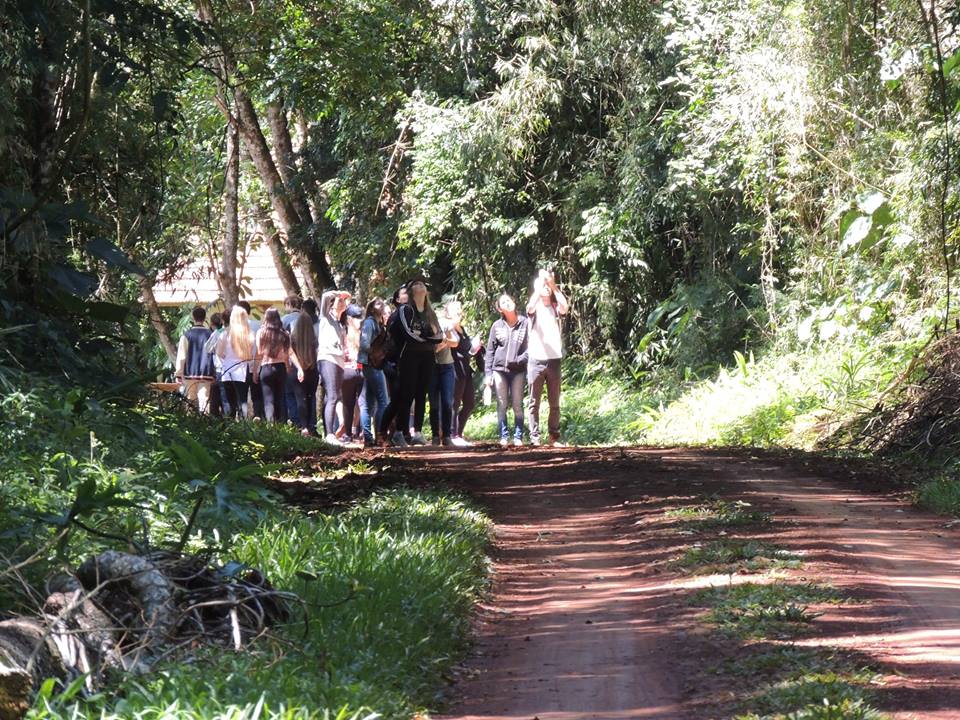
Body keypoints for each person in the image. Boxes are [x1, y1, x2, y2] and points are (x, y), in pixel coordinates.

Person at [383, 278, 442, 446]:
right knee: (407, 393)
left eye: (422, 284)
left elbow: (439, 336)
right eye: (415, 284)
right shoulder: (406, 310)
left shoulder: (430, 312)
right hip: (409, 356)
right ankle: (399, 432)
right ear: (410, 291)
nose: (420, 285)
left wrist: (424, 337)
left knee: (421, 394)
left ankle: (417, 432)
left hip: (428, 356)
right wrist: (427, 337)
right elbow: (408, 334)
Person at [526, 268, 569, 446]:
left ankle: (554, 436)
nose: (545, 288)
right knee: (534, 402)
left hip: (554, 359)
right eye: (542, 286)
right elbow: (529, 306)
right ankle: (534, 437)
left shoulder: (554, 307)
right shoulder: (534, 309)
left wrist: (553, 285)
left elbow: (565, 307)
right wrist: (540, 286)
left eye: (547, 287)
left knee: (554, 402)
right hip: (536, 359)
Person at [485, 294, 529, 446]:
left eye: (509, 300)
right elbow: (490, 351)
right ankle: (503, 436)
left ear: (514, 302)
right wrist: (488, 374)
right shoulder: (497, 326)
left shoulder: (525, 323)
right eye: (503, 302)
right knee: (502, 403)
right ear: (500, 309)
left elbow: (531, 346)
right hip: (499, 370)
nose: (507, 303)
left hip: (518, 370)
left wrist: (520, 359)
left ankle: (518, 437)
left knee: (517, 404)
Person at [317, 289, 351, 444]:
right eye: (339, 301)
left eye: (343, 301)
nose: (342, 303)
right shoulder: (325, 317)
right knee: (332, 396)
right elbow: (325, 296)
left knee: (334, 396)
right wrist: (338, 293)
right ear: (331, 304)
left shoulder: (339, 323)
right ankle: (330, 435)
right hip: (327, 358)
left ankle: (328, 432)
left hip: (339, 361)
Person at [378, 284, 410, 446]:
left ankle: (400, 432)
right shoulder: (396, 316)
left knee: (403, 400)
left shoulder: (410, 314)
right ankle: (383, 433)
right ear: (397, 299)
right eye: (404, 293)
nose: (408, 294)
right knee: (397, 400)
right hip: (393, 364)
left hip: (405, 363)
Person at [429, 297, 464, 446]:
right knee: (434, 403)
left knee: (447, 401)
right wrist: (439, 343)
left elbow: (455, 342)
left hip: (447, 366)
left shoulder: (445, 324)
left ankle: (447, 435)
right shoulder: (426, 327)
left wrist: (444, 342)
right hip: (431, 367)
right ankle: (435, 435)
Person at [449, 301, 483, 446]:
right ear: (448, 313)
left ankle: (458, 432)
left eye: (459, 309)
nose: (458, 311)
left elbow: (467, 351)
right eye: (454, 309)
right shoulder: (449, 329)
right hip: (455, 369)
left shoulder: (463, 329)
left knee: (469, 403)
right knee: (455, 402)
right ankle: (452, 435)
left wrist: (475, 348)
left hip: (466, 370)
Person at [358, 297, 390, 447]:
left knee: (369, 403)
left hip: (372, 365)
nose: (381, 305)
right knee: (383, 401)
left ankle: (369, 438)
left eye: (382, 303)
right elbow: (364, 344)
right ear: (371, 308)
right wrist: (376, 353)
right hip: (372, 365)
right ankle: (379, 435)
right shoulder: (370, 323)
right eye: (377, 303)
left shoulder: (379, 323)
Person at [175, 306, 216, 413]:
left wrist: (179, 374)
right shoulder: (210, 335)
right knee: (204, 401)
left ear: (193, 318)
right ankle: (204, 420)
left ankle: (190, 421)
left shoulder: (186, 335)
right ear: (204, 318)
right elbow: (214, 354)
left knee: (190, 400)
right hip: (206, 373)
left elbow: (182, 356)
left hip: (189, 373)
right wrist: (214, 373)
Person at [252, 307, 290, 423]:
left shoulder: (261, 333)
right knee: (280, 397)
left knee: (268, 399)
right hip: (280, 367)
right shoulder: (284, 334)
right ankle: (281, 423)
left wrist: (255, 371)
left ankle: (270, 424)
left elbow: (258, 353)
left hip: (266, 367)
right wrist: (287, 367)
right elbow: (286, 354)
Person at [217, 305, 255, 419]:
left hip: (227, 370)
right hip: (242, 371)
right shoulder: (249, 334)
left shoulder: (225, 333)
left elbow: (219, 353)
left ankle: (230, 424)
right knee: (242, 400)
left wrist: (227, 358)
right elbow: (251, 354)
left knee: (229, 402)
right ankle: (244, 425)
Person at [289, 309, 319, 435]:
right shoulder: (314, 338)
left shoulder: (293, 338)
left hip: (297, 371)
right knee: (311, 398)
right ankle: (312, 426)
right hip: (312, 370)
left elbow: (290, 354)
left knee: (300, 399)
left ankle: (303, 426)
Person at [339, 303, 365, 443]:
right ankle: (363, 432)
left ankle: (348, 434)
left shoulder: (342, 332)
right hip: (363, 370)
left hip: (347, 371)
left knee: (347, 404)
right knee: (363, 404)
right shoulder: (365, 333)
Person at [238, 300, 265, 419]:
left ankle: (243, 419)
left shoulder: (235, 328)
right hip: (257, 365)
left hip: (240, 367)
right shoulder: (258, 325)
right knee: (257, 394)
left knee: (241, 395)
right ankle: (258, 416)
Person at [281, 295, 303, 425]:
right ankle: (307, 423)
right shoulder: (306, 318)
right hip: (307, 360)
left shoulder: (285, 320)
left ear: (289, 305)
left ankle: (295, 422)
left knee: (290, 393)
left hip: (290, 360)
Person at [205, 312, 224, 417]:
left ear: (212, 324)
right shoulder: (230, 331)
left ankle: (215, 419)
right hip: (234, 369)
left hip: (219, 370)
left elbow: (207, 348)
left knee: (216, 397)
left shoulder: (216, 333)